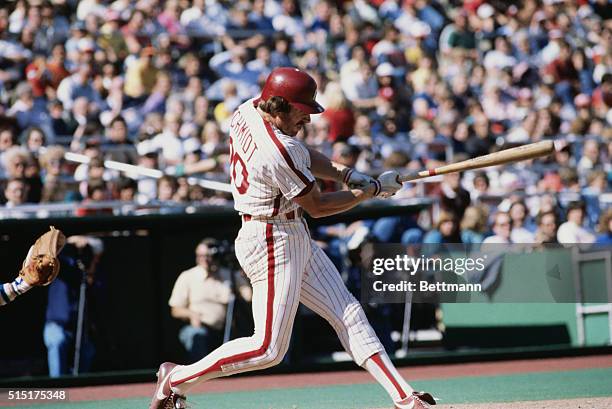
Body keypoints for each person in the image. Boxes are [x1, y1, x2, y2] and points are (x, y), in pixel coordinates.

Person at [149, 68, 435, 409]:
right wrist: (370, 192)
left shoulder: (249, 108)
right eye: (301, 110)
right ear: (280, 105)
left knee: (348, 313)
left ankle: (403, 396)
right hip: (269, 238)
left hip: (288, 229)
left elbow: (300, 152)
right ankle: (176, 377)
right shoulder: (276, 150)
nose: (308, 118)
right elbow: (317, 206)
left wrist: (348, 174)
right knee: (268, 348)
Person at [169, 239, 252, 362]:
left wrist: (242, 274)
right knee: (195, 335)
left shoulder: (229, 275)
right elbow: (175, 309)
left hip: (224, 330)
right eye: (200, 256)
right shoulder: (188, 276)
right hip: (200, 328)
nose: (205, 259)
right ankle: (200, 375)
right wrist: (192, 315)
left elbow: (249, 296)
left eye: (209, 255)